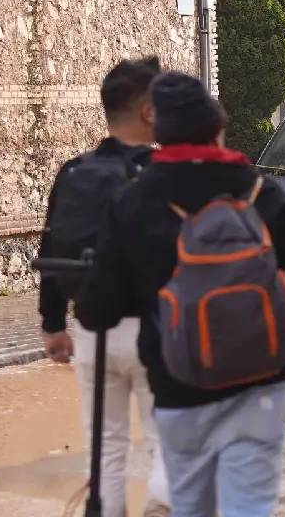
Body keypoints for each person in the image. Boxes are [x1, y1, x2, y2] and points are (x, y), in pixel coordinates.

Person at [75, 71, 285, 516]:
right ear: (218, 127)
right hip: (261, 388)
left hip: (178, 388)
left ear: (159, 132)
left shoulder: (132, 202)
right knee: (247, 507)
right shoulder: (260, 194)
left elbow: (97, 310)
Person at [37, 56, 170, 517]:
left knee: (106, 454)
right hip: (158, 330)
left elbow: (51, 245)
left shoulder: (74, 171)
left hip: (93, 332)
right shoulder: (167, 173)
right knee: (165, 446)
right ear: (149, 112)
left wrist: (53, 324)